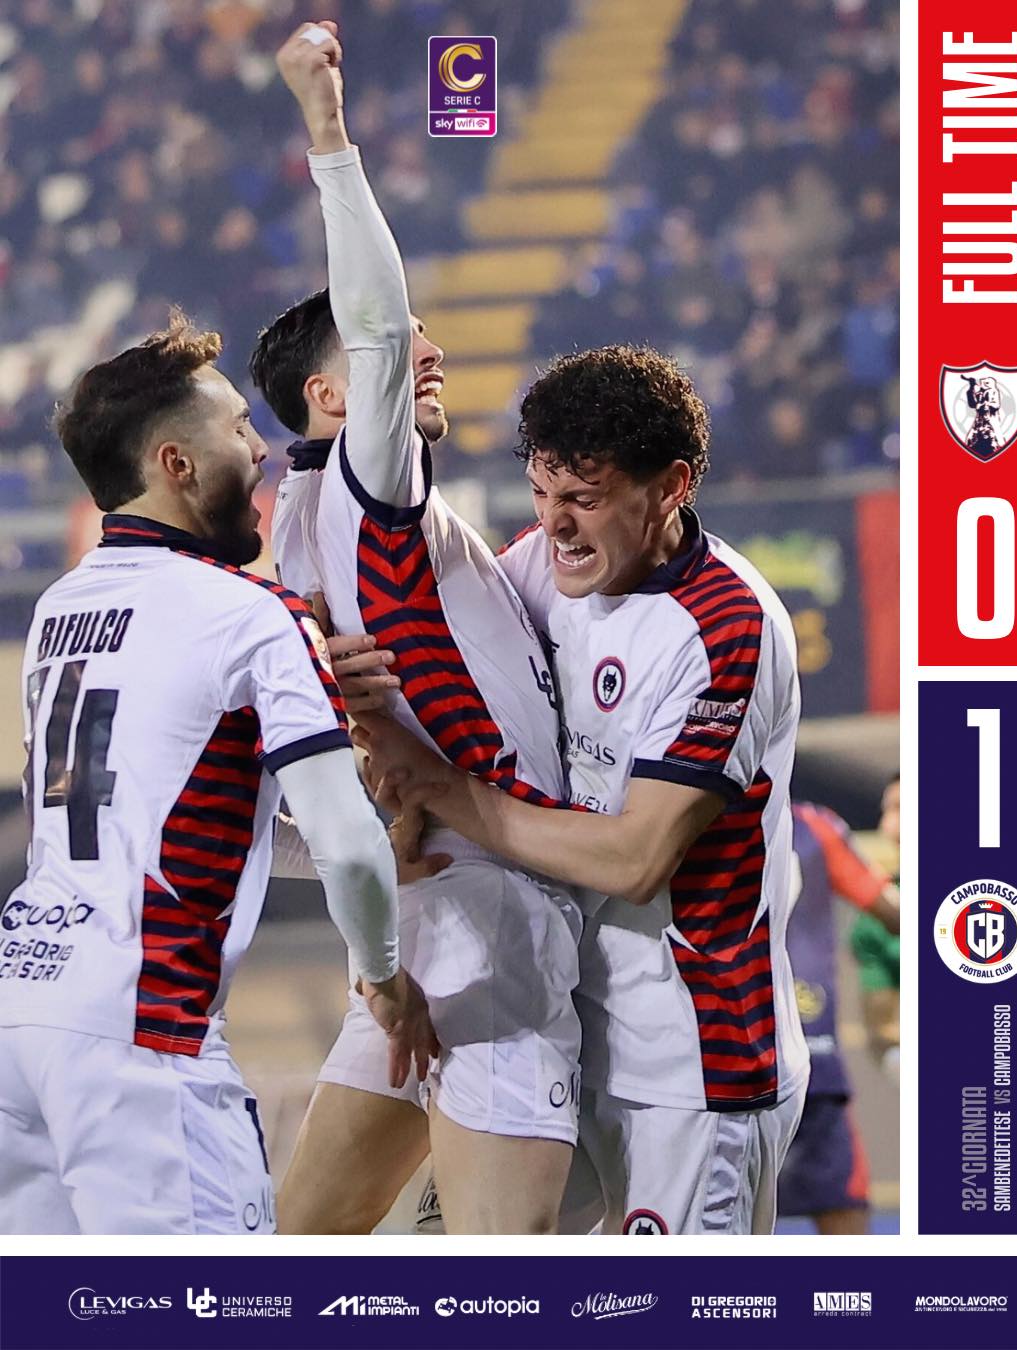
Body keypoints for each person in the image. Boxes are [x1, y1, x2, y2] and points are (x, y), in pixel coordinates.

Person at [356, 342, 810, 1235]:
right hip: (558, 1028)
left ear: (670, 487)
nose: (555, 524)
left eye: (585, 499)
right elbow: (439, 689)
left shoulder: (727, 627)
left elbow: (636, 859)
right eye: (542, 492)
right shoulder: (534, 568)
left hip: (689, 1070)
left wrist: (441, 789)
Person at [250, 21, 581, 1237]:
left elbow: (274, 813)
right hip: (496, 920)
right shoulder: (362, 487)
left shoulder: (299, 538)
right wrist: (328, 129)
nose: (427, 350)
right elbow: (385, 331)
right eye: (393, 349)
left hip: (424, 913)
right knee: (503, 1280)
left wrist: (372, 858)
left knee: (295, 1254)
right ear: (331, 397)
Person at [0, 312, 435, 1235]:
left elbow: (156, 820)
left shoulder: (60, 608)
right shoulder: (251, 614)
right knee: (218, 1305)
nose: (262, 450)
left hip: (22, 1015)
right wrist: (387, 979)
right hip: (143, 1035)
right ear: (177, 464)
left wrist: (357, 851)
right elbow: (349, 843)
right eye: (239, 428)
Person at [778, 800, 899, 1234]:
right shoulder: (814, 825)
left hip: (726, 1050)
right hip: (801, 1051)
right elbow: (895, 912)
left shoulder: (675, 799)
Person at [850, 774, 901, 1084]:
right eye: (888, 811)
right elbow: (882, 1031)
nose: (888, 825)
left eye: (900, 808)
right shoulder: (877, 919)